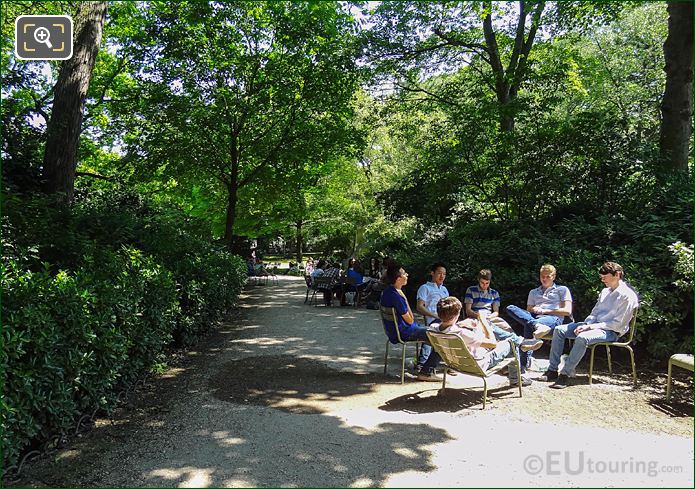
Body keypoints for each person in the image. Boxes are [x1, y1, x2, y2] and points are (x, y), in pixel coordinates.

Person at [540, 262, 639, 389]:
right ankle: (552, 370)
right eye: (601, 276)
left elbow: (616, 324)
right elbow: (595, 312)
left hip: (611, 331)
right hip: (593, 326)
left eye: (605, 276)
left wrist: (589, 327)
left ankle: (565, 374)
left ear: (617, 275)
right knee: (559, 330)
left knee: (583, 338)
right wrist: (586, 324)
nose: (602, 279)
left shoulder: (628, 296)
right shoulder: (604, 292)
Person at [432, 297, 542, 386]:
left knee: (483, 326)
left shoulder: (433, 328)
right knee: (510, 344)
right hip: (479, 364)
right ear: (457, 315)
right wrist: (483, 320)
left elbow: (448, 326)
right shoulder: (463, 334)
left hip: (457, 363)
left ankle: (521, 341)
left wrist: (461, 324)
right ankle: (516, 378)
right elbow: (493, 344)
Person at [380, 264, 442, 381]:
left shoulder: (387, 292)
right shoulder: (397, 296)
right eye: (404, 273)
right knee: (441, 339)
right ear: (398, 279)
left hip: (394, 331)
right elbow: (410, 319)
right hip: (405, 332)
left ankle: (424, 365)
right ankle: (426, 372)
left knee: (432, 333)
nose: (407, 275)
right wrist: (404, 298)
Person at [506, 264, 573, 372]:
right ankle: (536, 325)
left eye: (548, 276)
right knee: (510, 308)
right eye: (542, 276)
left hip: (552, 318)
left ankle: (522, 366)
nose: (544, 279)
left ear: (554, 276)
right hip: (535, 317)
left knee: (529, 324)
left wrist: (545, 310)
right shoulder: (534, 292)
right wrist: (535, 309)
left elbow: (567, 311)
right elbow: (529, 309)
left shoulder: (562, 290)